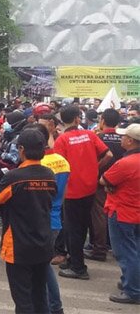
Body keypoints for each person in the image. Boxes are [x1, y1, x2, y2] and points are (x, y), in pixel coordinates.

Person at [0, 129, 57, 314]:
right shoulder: (49, 174)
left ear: (21, 149)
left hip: (18, 245)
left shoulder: (14, 177)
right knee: (40, 295)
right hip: (43, 242)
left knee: (23, 299)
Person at [54, 105, 113, 280]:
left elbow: (59, 168)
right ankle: (73, 260)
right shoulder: (90, 135)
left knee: (73, 229)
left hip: (71, 191)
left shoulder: (62, 140)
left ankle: (78, 268)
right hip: (90, 188)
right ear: (77, 119)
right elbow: (108, 155)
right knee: (82, 226)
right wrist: (96, 169)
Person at [30, 123, 70, 314]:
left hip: (40, 220)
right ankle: (55, 307)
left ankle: (51, 307)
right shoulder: (62, 161)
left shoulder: (38, 165)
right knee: (44, 266)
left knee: (39, 269)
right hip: (55, 217)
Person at [99, 123, 140, 305]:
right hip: (135, 211)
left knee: (125, 253)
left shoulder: (124, 163)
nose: (121, 138)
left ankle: (132, 290)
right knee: (136, 250)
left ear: (130, 141)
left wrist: (110, 186)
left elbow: (104, 180)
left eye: (123, 137)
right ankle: (132, 282)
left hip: (122, 211)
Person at [87, 108, 125, 262]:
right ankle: (115, 246)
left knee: (99, 215)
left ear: (102, 120)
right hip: (122, 182)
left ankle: (99, 249)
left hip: (101, 181)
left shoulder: (97, 138)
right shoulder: (125, 139)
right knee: (118, 214)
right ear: (119, 122)